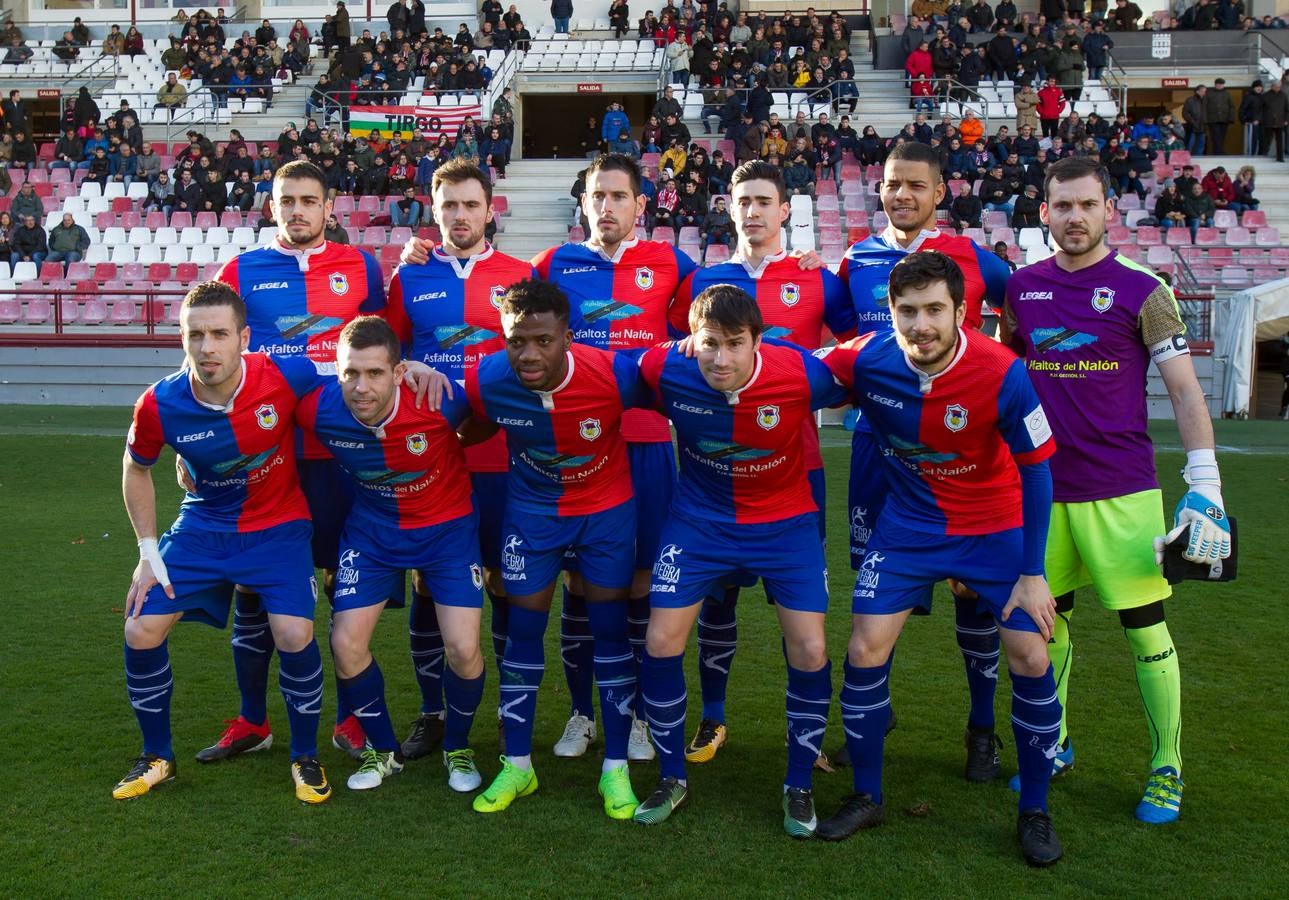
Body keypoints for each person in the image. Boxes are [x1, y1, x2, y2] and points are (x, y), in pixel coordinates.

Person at [814, 251, 1063, 869]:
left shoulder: (1003, 371)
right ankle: (867, 794)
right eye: (907, 311)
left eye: (933, 310)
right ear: (889, 313)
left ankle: (1034, 807)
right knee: (864, 647)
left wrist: (1032, 574)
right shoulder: (865, 358)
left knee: (1031, 651)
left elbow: (1038, 473)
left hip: (994, 525)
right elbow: (790, 375)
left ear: (961, 312)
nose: (920, 325)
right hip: (909, 526)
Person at [1002, 156, 1232, 825]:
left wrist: (1204, 483)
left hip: (1121, 491)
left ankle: (1166, 767)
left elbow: (1185, 392)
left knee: (1142, 625)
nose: (1074, 218)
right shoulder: (1021, 289)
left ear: (1108, 210)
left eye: (1086, 205)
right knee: (1048, 621)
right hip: (1040, 491)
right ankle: (1054, 743)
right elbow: (1004, 384)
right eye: (1061, 206)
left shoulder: (1143, 288)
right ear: (1043, 213)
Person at [631, 284, 848, 835]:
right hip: (699, 523)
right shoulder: (666, 367)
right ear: (691, 340)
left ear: (758, 340)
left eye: (734, 344)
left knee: (811, 646)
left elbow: (868, 374)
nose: (721, 358)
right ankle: (672, 775)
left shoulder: (800, 372)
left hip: (785, 524)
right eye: (709, 344)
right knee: (660, 641)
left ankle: (798, 782)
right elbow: (597, 373)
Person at [113, 282, 335, 803]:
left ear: (244, 338)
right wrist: (148, 552)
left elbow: (353, 379)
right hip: (205, 525)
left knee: (293, 632)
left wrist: (415, 368)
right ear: (181, 338)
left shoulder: (283, 372)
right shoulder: (159, 403)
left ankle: (304, 755)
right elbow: (135, 467)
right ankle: (157, 756)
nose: (207, 347)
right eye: (195, 335)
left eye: (219, 334)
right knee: (141, 625)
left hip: (279, 525)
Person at [837, 140, 1015, 779]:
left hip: (962, 451)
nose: (902, 195)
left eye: (916, 184)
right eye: (892, 184)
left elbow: (1015, 313)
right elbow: (838, 339)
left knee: (976, 596)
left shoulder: (973, 258)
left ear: (940, 193)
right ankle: (871, 719)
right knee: (875, 600)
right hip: (877, 451)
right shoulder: (856, 259)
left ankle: (983, 728)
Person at [667, 161, 852, 765]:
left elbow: (855, 350)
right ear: (729, 206)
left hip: (796, 468)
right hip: (714, 473)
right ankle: (713, 719)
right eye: (743, 200)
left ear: (785, 211)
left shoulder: (816, 278)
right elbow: (673, 348)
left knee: (797, 612)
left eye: (764, 201)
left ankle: (808, 739)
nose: (752, 212)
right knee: (716, 602)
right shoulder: (703, 280)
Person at [206, 161, 387, 763]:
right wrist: (201, 446)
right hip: (267, 456)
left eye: (310, 200)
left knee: (348, 588)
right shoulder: (240, 270)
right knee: (256, 590)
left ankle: (353, 718)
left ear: (330, 206)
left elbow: (389, 349)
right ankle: (252, 719)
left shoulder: (362, 267)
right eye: (287, 200)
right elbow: (211, 357)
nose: (298, 211)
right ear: (272, 205)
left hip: (345, 455)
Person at [458, 278, 648, 819]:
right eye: (517, 340)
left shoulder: (614, 373)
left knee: (610, 633)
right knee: (521, 634)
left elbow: (679, 394)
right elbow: (459, 425)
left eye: (543, 340)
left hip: (605, 514)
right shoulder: (488, 379)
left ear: (567, 335)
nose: (529, 353)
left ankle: (615, 769)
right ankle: (518, 765)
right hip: (532, 516)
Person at [383, 159, 536, 760]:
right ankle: (433, 712)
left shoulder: (520, 276)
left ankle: (506, 713)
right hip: (430, 461)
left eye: (471, 205)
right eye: (449, 205)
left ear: (490, 209)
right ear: (433, 207)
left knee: (503, 584)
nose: (460, 216)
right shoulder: (410, 277)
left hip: (502, 456)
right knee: (428, 586)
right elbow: (383, 349)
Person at [294, 315, 485, 792]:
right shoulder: (318, 408)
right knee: (345, 643)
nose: (361, 387)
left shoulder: (438, 399)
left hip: (447, 532)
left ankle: (457, 748)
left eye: (375, 373)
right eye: (350, 373)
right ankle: (383, 752)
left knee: (463, 648)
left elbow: (484, 424)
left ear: (399, 373)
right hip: (373, 534)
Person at [1261, 78, 1289, 162]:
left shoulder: (1283, 95)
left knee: (1280, 140)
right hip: (1268, 121)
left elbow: (1287, 109)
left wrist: (1286, 119)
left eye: (1279, 87)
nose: (1278, 88)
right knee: (1267, 139)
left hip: (1280, 122)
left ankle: (1280, 157)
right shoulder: (1265, 95)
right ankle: (1264, 153)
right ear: (1272, 86)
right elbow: (1260, 109)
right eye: (1276, 87)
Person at [1205, 78, 1234, 154]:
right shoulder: (1209, 93)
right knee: (1216, 137)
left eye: (1221, 84)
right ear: (1215, 85)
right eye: (1218, 84)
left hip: (1224, 120)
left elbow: (1232, 106)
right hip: (1213, 120)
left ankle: (1218, 151)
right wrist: (1206, 119)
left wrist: (1231, 118)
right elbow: (1204, 106)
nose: (1220, 86)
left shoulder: (1227, 94)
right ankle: (1218, 152)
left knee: (1222, 137)